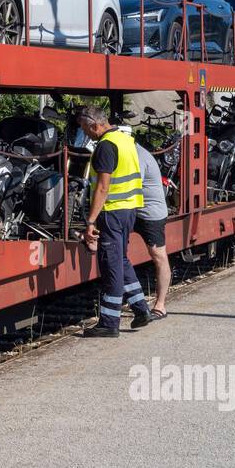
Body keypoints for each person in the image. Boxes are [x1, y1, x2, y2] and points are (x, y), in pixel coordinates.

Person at [79, 106, 151, 336]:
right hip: (129, 210)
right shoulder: (125, 140)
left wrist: (90, 221)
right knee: (120, 260)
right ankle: (141, 308)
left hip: (111, 213)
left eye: (85, 129)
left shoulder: (105, 146)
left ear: (94, 125)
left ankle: (109, 323)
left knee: (111, 266)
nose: (86, 134)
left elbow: (102, 187)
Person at [131, 141, 170, 320]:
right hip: (132, 209)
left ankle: (160, 306)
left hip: (150, 213)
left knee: (158, 256)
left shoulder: (139, 155)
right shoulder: (128, 152)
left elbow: (132, 184)